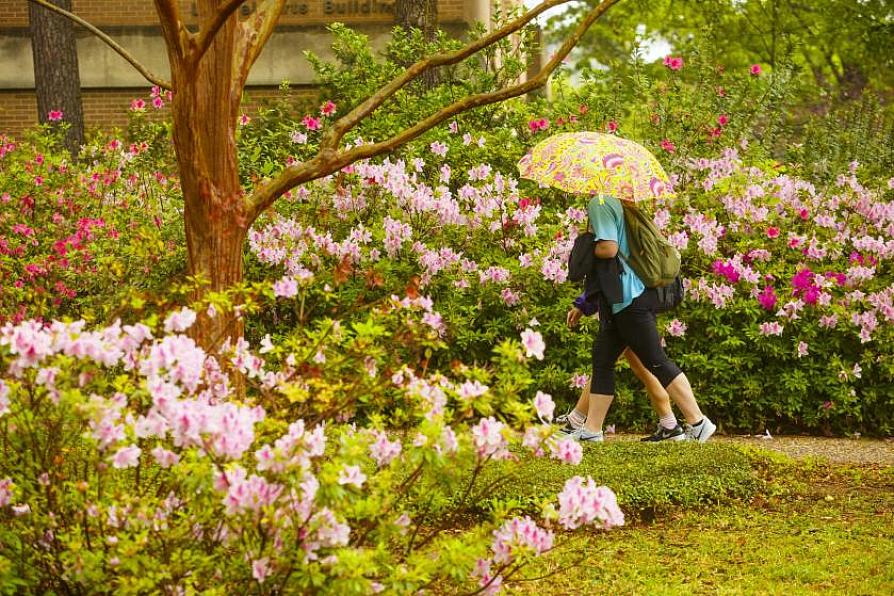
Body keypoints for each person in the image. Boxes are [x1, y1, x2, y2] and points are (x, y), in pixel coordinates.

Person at [561, 195, 716, 443]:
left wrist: (584, 246)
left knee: (655, 361)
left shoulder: (600, 202)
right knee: (603, 360)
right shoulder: (622, 204)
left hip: (628, 299)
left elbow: (609, 248)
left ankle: (697, 421)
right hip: (624, 298)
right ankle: (591, 430)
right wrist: (584, 303)